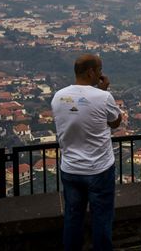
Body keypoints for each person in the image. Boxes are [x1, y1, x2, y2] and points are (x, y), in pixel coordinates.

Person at [52, 54, 122, 251]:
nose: (101, 74)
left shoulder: (58, 96)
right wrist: (102, 90)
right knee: (101, 217)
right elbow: (115, 122)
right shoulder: (103, 97)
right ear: (92, 72)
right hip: (99, 169)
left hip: (70, 168)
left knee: (73, 217)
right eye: (99, 70)